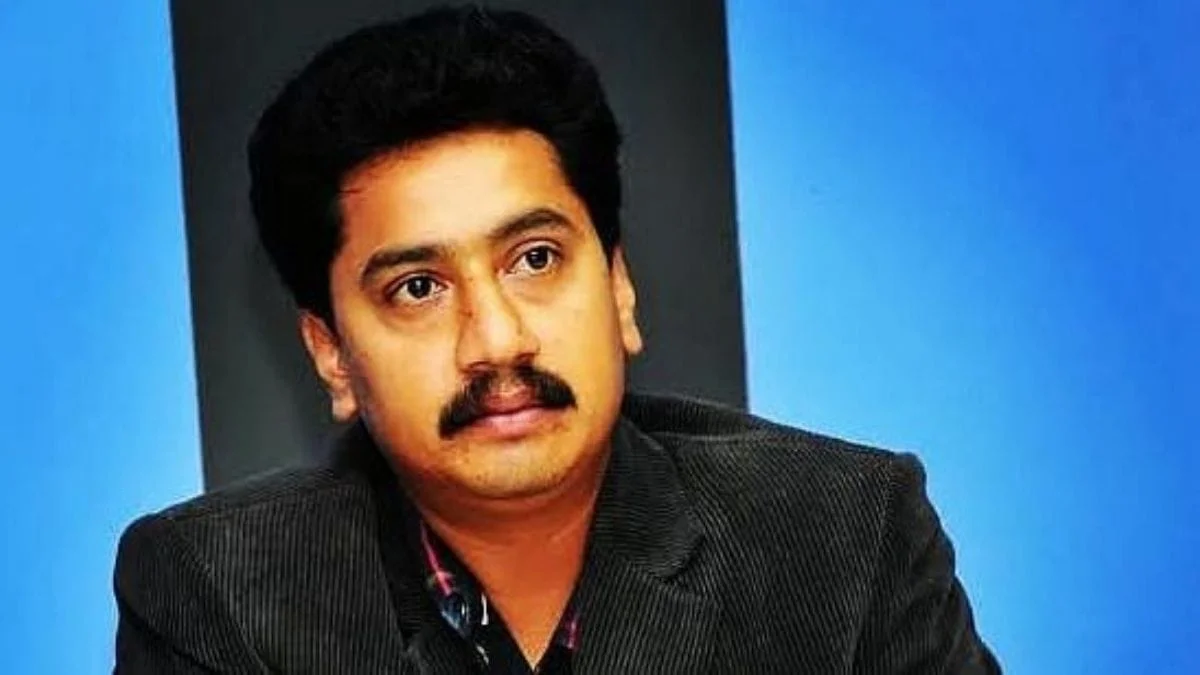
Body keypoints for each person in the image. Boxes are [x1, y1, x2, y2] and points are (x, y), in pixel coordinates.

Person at [113, 5, 999, 674]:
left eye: (534, 258)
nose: (497, 340)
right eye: (418, 287)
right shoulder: (218, 591)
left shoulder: (843, 535)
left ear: (618, 288)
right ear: (332, 354)